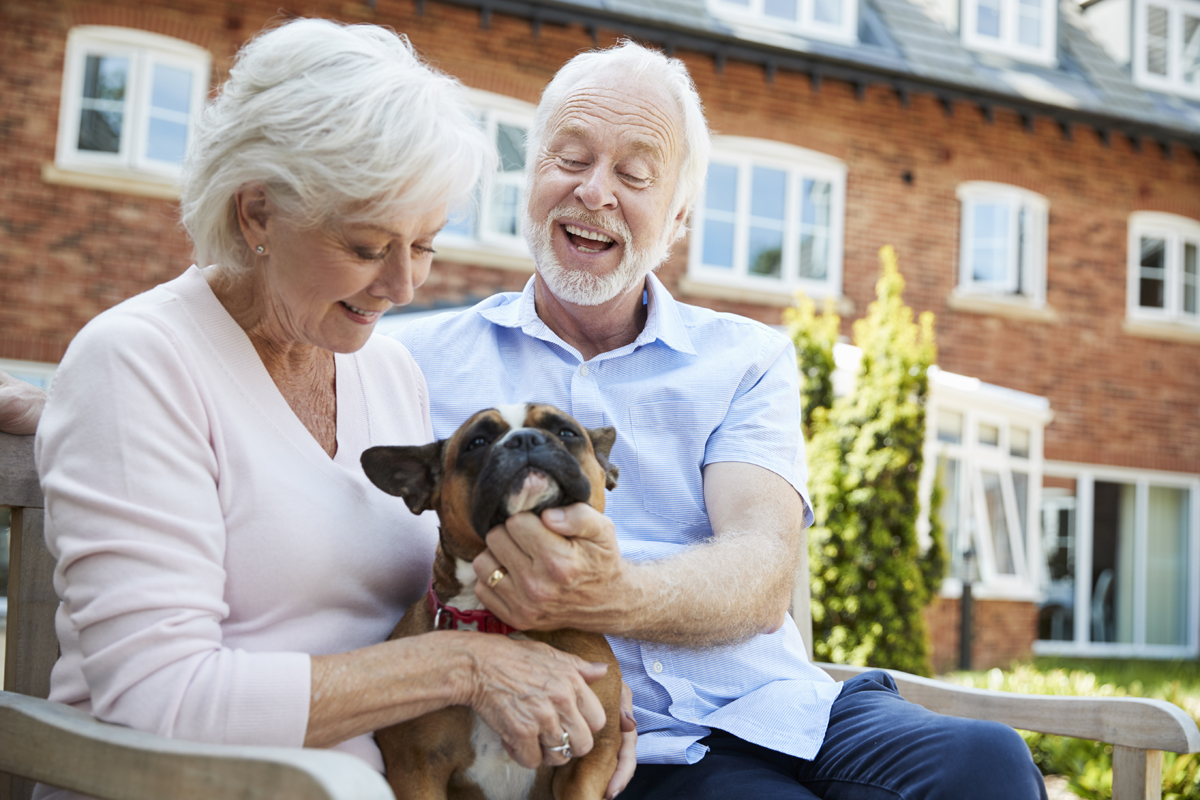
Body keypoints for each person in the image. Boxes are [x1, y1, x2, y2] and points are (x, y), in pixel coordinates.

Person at [394, 41, 1049, 799]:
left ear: (677, 218)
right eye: (569, 159)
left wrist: (600, 596)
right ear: (530, 177)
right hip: (619, 746)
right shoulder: (410, 359)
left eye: (635, 175)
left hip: (786, 706)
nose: (595, 192)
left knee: (987, 763)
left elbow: (763, 566)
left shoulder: (746, 358)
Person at [22, 19, 635, 800]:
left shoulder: (385, 369)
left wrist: (574, 718)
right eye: (369, 246)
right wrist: (472, 668)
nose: (404, 286)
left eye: (426, 246)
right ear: (257, 214)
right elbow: (161, 701)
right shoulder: (136, 361)